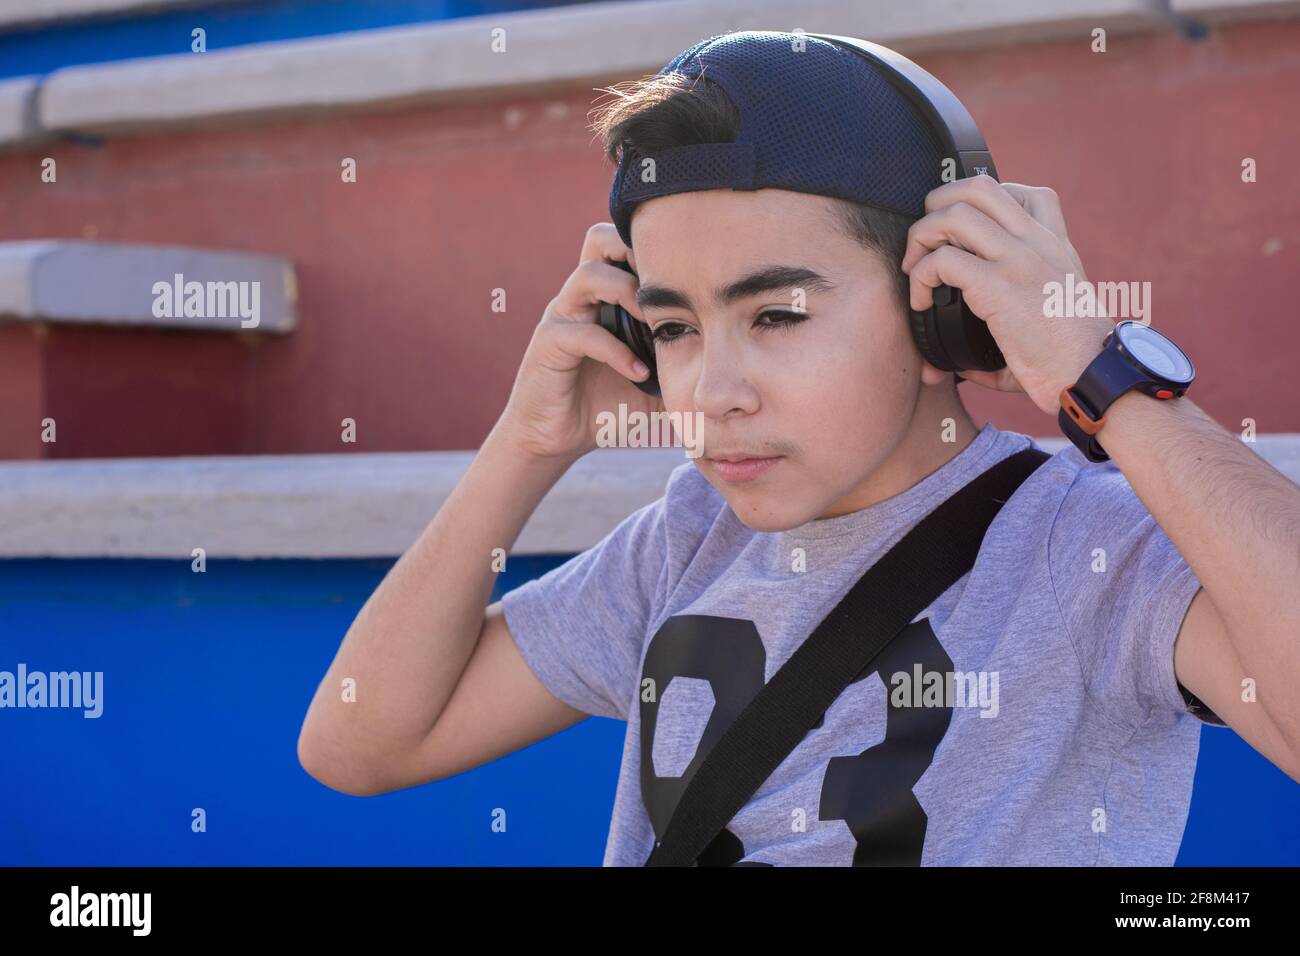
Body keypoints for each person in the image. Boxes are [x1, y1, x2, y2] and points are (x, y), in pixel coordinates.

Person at [298, 31, 1300, 866]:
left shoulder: (1093, 550)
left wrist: (1100, 375)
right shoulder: (680, 542)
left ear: (939, 310)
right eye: (675, 327)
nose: (711, 394)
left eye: (774, 314)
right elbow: (357, 740)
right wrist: (525, 444)